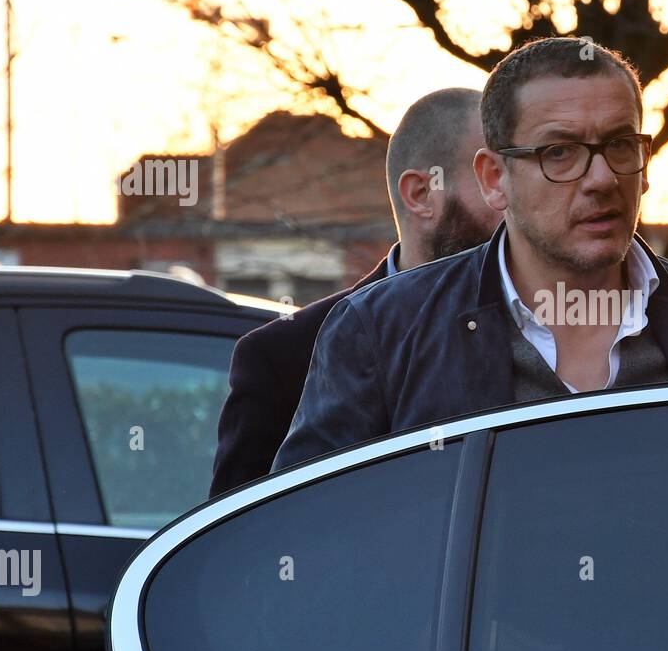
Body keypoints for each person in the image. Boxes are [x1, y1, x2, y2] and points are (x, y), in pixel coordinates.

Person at [272, 37, 668, 472]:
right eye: (559, 152)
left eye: (621, 145)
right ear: (495, 179)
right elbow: (309, 538)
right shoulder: (382, 333)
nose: (602, 179)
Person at [209, 87, 501, 496]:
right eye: (491, 176)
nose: (512, 197)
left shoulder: (545, 328)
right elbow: (240, 541)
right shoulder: (284, 355)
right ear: (420, 194)